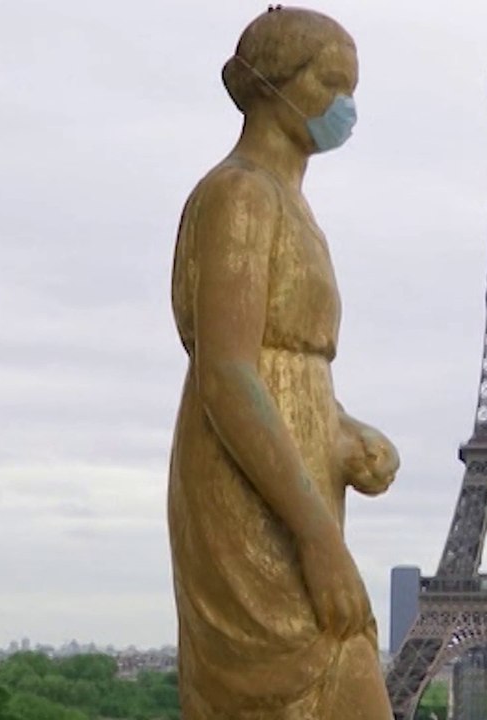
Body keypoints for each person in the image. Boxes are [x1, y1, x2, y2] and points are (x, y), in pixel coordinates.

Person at [167, 7, 398, 718]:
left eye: (352, 87)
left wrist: (343, 431)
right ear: (272, 83)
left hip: (293, 477)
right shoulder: (239, 194)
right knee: (330, 670)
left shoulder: (291, 207)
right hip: (254, 488)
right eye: (330, 81)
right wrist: (318, 537)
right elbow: (229, 374)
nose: (345, 104)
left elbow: (290, 372)